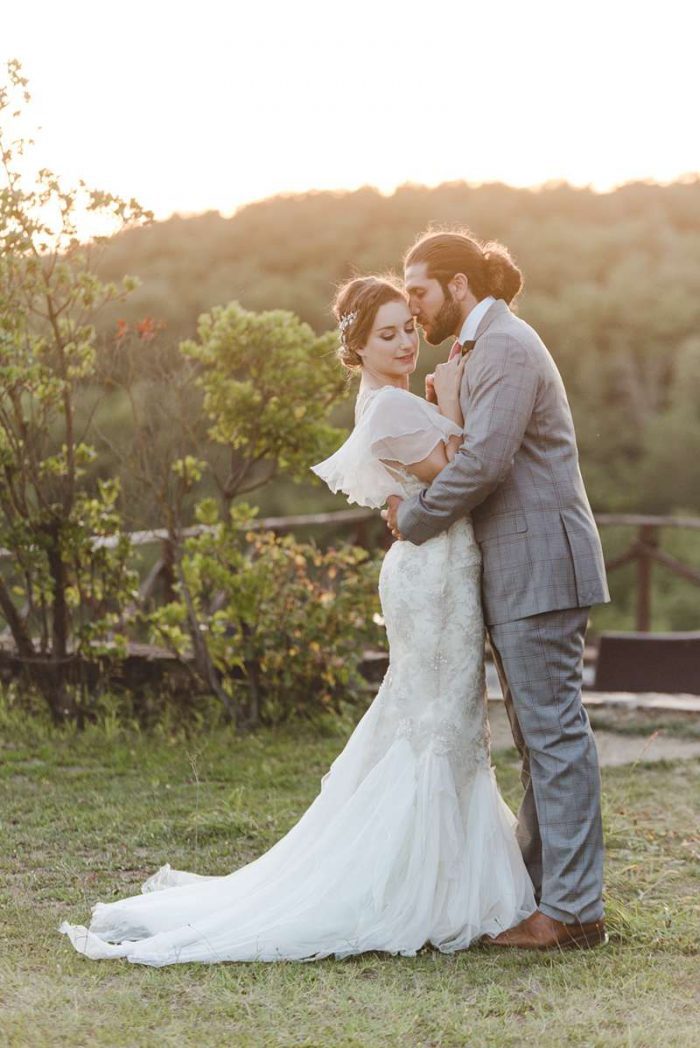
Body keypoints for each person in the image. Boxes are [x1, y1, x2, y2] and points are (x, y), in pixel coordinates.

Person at [59, 275, 535, 966]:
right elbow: (460, 479)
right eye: (388, 335)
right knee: (436, 722)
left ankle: (450, 873)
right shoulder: (394, 412)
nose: (406, 343)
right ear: (359, 347)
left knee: (448, 721)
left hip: (442, 574)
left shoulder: (398, 401)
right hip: (431, 577)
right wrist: (459, 403)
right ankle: (420, 885)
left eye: (409, 328)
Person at [384, 231, 610, 950]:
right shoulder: (477, 352)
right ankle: (547, 896)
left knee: (555, 734)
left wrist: (413, 519)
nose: (413, 308)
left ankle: (573, 912)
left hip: (540, 565)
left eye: (418, 291)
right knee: (538, 737)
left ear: (457, 285)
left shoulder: (507, 346)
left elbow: (484, 461)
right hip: (522, 570)